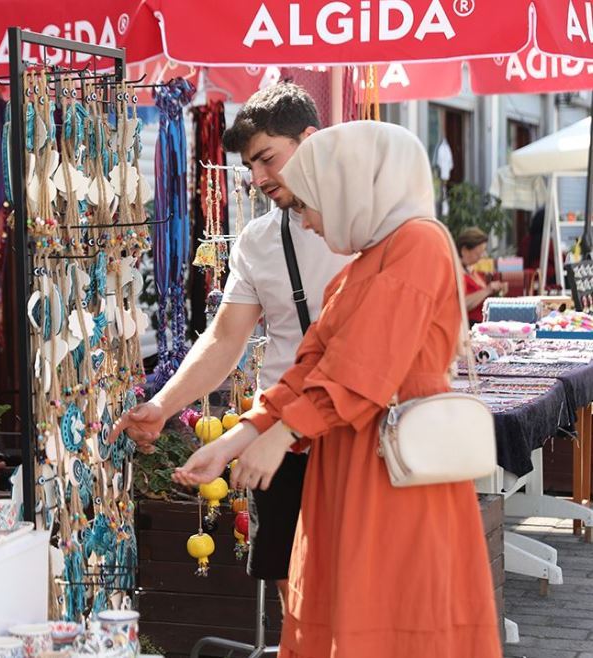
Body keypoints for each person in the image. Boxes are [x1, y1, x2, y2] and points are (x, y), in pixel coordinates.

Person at [174, 122, 502, 658]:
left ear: (348, 187)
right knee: (355, 609)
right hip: (355, 457)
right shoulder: (364, 263)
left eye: (308, 203)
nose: (302, 218)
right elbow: (311, 368)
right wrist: (236, 440)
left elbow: (364, 366)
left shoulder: (417, 243)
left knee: (392, 610)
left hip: (393, 469)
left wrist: (282, 434)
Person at [113, 83, 350, 603]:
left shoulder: (372, 223)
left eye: (267, 158)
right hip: (279, 437)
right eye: (250, 165)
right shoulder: (259, 240)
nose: (258, 178)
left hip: (358, 430)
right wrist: (161, 405)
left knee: (364, 591)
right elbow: (224, 339)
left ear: (309, 140)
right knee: (297, 590)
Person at [458, 227, 508, 325]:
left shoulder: (470, 270)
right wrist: (487, 290)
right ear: (464, 250)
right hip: (470, 325)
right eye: (478, 254)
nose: (482, 256)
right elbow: (460, 304)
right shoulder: (456, 273)